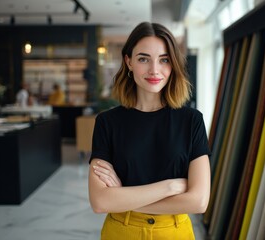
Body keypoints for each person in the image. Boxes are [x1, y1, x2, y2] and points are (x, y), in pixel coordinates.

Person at [88, 22, 211, 240]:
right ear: (129, 62)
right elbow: (100, 202)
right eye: (144, 58)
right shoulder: (107, 122)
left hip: (175, 232)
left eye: (164, 60)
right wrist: (171, 186)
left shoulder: (192, 120)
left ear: (173, 64)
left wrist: (123, 195)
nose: (154, 69)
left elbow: (198, 201)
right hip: (121, 232)